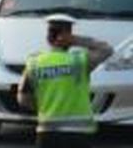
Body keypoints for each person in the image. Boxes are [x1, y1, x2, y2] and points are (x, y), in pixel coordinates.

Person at [17, 15, 114, 147]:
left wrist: (46, 108)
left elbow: (23, 99)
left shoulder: (34, 63)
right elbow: (106, 49)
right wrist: (76, 40)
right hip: (80, 135)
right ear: (68, 36)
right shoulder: (79, 61)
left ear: (48, 38)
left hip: (47, 134)